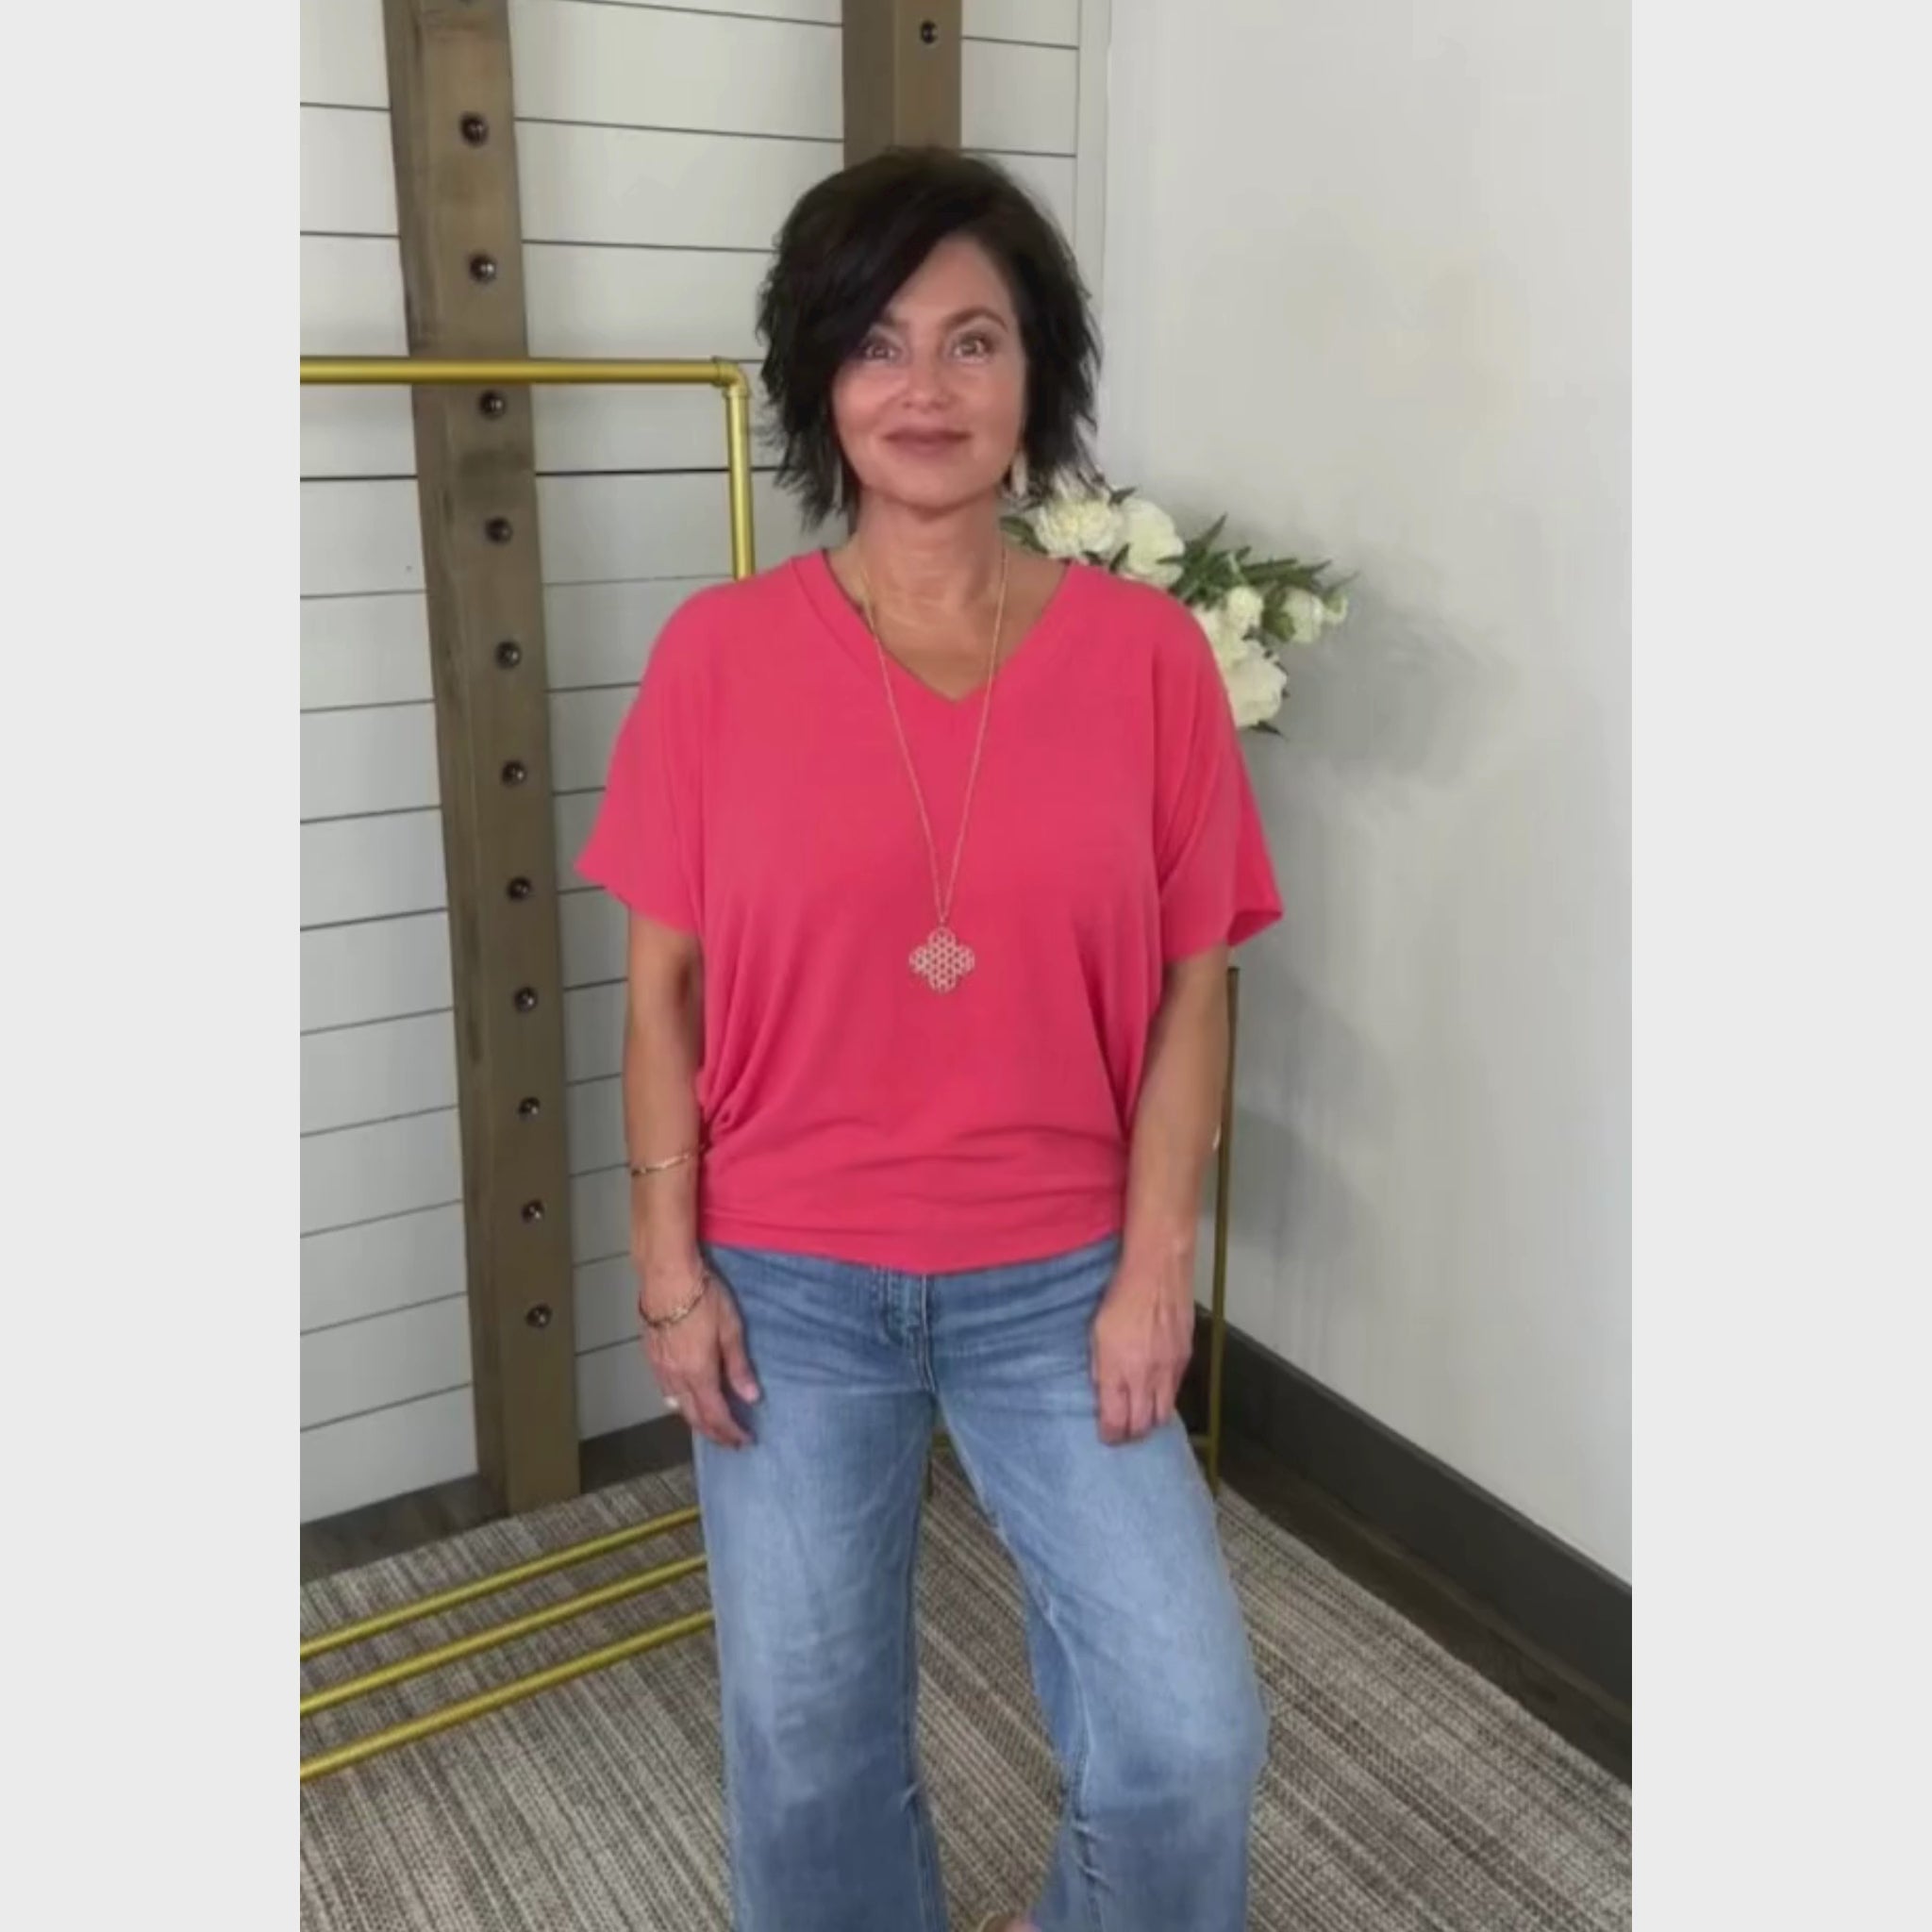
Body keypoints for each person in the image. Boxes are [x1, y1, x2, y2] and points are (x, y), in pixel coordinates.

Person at [579, 147, 1282, 1932]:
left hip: (1065, 1281)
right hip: (790, 1284)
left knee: (1187, 1737)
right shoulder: (717, 658)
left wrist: (1158, 1268)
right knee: (807, 1750)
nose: (926, 388)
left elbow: (1197, 983)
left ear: (1036, 376)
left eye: (975, 340)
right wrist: (668, 1266)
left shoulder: (1147, 661)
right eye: (879, 342)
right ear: (822, 378)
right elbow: (660, 994)